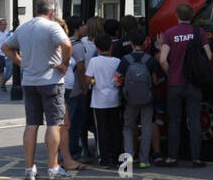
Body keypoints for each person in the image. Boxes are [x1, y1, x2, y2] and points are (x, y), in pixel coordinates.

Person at [1, 0, 79, 180]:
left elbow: (6, 47)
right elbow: (67, 44)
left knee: (31, 124)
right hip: (51, 81)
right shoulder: (52, 26)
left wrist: (22, 63)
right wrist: (64, 64)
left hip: (30, 82)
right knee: (54, 124)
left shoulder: (24, 28)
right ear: (51, 12)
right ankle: (53, 168)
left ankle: (29, 168)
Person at [159, 3, 212, 168]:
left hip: (175, 84)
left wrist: (170, 74)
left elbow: (162, 60)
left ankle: (172, 158)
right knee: (195, 120)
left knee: (174, 121)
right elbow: (209, 56)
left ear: (177, 15)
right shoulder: (199, 32)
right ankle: (196, 158)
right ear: (192, 15)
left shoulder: (169, 34)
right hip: (193, 84)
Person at [118, 31, 161, 169]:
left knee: (128, 127)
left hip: (130, 99)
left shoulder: (125, 60)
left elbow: (117, 79)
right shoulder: (150, 59)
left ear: (131, 43)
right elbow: (154, 80)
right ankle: (144, 160)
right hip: (147, 99)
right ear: (145, 43)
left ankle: (129, 158)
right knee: (147, 126)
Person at [84, 34, 123, 167]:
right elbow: (119, 80)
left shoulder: (94, 61)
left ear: (97, 47)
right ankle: (117, 157)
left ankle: (104, 159)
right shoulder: (117, 61)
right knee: (115, 129)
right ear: (111, 46)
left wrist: (93, 82)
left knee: (101, 131)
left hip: (99, 100)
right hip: (114, 99)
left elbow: (88, 79)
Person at [66, 16, 97, 161]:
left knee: (68, 122)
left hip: (67, 88)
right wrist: (86, 87)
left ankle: (67, 152)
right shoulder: (77, 45)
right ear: (77, 29)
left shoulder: (66, 42)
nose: (86, 27)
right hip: (77, 89)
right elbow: (80, 68)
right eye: (83, 25)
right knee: (75, 124)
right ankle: (73, 153)